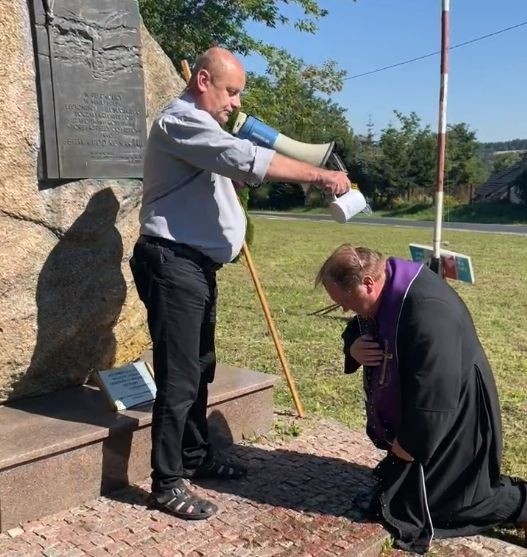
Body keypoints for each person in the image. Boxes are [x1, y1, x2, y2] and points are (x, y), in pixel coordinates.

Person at [130, 47, 351, 521]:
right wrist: (320, 175)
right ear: (203, 80)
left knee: (201, 367)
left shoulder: (203, 126)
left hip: (193, 266)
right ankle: (167, 482)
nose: (235, 103)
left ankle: (195, 457)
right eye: (230, 91)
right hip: (172, 263)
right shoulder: (179, 121)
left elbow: (228, 167)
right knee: (179, 376)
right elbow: (244, 156)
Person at [316, 244, 527, 554]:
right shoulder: (384, 287)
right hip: (427, 415)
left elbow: (434, 395)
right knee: (405, 497)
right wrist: (353, 347)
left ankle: (522, 504)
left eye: (346, 302)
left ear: (368, 284)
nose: (347, 309)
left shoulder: (427, 309)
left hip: (454, 419)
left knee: (453, 502)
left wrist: (407, 447)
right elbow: (359, 326)